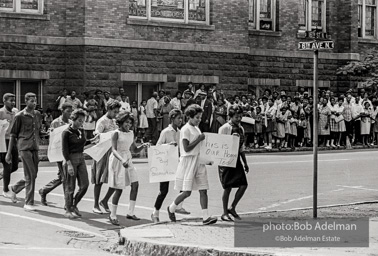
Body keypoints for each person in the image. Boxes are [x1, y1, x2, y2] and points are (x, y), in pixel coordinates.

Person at [167, 104, 217, 226]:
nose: (199, 120)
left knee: (203, 189)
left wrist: (207, 159)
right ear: (189, 117)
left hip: (199, 161)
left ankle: (205, 217)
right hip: (188, 161)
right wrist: (199, 139)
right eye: (197, 117)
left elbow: (200, 148)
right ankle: (171, 207)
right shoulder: (186, 129)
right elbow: (186, 148)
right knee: (187, 192)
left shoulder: (197, 128)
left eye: (200, 117)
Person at [108, 112, 149, 225]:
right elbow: (114, 150)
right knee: (119, 188)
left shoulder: (131, 133)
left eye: (130, 123)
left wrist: (143, 146)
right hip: (118, 160)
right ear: (121, 122)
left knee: (135, 185)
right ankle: (113, 215)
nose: (128, 125)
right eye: (126, 122)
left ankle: (130, 212)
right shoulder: (116, 133)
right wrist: (122, 160)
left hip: (128, 159)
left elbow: (134, 149)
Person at [6, 93, 45, 211]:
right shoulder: (19, 116)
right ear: (26, 101)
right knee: (30, 174)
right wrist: (8, 153)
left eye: (35, 100)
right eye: (32, 101)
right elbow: (13, 135)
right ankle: (28, 202)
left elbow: (39, 130)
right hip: (24, 147)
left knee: (34, 174)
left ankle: (15, 188)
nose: (34, 103)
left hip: (35, 147)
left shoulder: (38, 114)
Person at [151, 109, 190, 223]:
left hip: (177, 163)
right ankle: (155, 212)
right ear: (172, 118)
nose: (180, 120)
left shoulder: (180, 132)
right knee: (164, 190)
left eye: (181, 118)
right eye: (178, 118)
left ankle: (177, 206)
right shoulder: (165, 132)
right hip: (166, 164)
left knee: (184, 186)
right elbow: (157, 147)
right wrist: (168, 145)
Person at [218, 106, 249, 221]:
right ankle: (224, 212)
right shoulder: (224, 128)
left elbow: (241, 147)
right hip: (225, 160)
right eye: (236, 117)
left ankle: (233, 207)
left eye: (240, 116)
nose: (239, 119)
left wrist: (245, 162)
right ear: (230, 116)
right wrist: (232, 139)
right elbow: (220, 144)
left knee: (243, 185)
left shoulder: (241, 129)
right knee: (228, 187)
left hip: (236, 159)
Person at [39, 103, 73, 206]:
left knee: (62, 177)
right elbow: (51, 137)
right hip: (59, 153)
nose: (70, 114)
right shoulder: (56, 122)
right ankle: (67, 203)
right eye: (68, 111)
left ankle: (44, 190)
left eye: (71, 112)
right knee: (65, 177)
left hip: (70, 151)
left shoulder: (71, 122)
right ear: (62, 111)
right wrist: (51, 133)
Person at [91, 100, 121, 214]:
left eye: (117, 112)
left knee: (115, 179)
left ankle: (104, 200)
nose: (116, 114)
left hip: (113, 152)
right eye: (114, 111)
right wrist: (107, 135)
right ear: (108, 109)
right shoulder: (102, 121)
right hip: (102, 152)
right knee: (99, 179)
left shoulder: (115, 121)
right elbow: (96, 135)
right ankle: (95, 204)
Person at [61, 109, 90, 218]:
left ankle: (74, 204)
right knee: (70, 186)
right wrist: (69, 164)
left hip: (81, 157)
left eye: (82, 121)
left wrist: (93, 140)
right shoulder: (66, 132)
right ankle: (68, 209)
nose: (81, 123)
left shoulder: (81, 131)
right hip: (70, 159)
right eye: (79, 120)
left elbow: (83, 142)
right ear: (73, 119)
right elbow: (64, 150)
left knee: (85, 185)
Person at [0, 93, 19, 201]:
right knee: (7, 164)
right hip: (4, 141)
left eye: (14, 100)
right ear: (4, 101)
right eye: (10, 100)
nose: (13, 102)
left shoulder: (15, 112)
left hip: (13, 141)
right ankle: (5, 190)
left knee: (15, 166)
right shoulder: (1, 112)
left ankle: (2, 175)